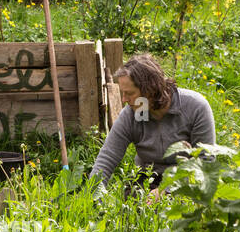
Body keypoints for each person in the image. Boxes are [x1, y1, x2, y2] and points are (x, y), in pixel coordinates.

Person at [88, 53, 216, 198]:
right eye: (123, 93)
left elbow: (206, 162)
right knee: (135, 206)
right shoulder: (130, 114)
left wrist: (166, 190)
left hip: (187, 179)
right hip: (148, 179)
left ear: (150, 90)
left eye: (129, 93)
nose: (124, 100)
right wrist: (92, 196)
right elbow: (107, 158)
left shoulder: (195, 107)